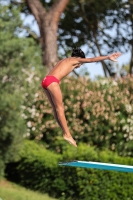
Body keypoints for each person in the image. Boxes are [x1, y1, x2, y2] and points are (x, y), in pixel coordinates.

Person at [42, 47, 121, 147]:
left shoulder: (65, 60)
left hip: (45, 80)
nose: (79, 66)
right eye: (80, 64)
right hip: (52, 82)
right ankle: (67, 134)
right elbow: (92, 60)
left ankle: (64, 131)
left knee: (55, 108)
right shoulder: (76, 59)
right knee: (60, 108)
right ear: (79, 59)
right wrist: (108, 57)